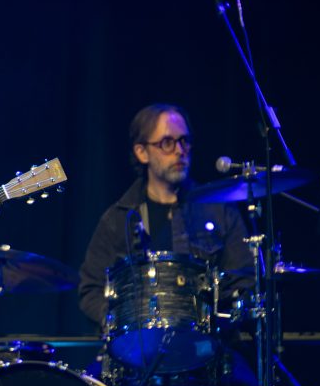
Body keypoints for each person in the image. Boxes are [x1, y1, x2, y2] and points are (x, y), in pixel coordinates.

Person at [79, 103, 250, 326]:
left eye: (184, 141)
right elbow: (90, 289)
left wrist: (218, 318)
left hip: (205, 347)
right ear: (142, 152)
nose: (180, 151)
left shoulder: (220, 210)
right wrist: (119, 322)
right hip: (138, 353)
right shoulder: (118, 219)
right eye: (167, 143)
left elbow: (245, 279)